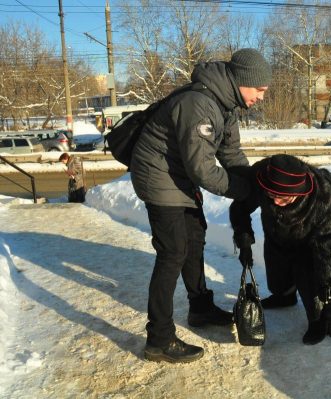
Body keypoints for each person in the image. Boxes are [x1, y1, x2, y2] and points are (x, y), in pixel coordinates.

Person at [129, 48, 272, 363]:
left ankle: (201, 307)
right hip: (158, 175)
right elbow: (203, 169)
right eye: (260, 90)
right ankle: (159, 339)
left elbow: (230, 153)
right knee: (173, 253)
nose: (262, 97)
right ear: (243, 80)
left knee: (194, 238)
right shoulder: (200, 104)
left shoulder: (227, 105)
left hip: (179, 175)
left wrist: (251, 183)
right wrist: (239, 190)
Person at [229, 154, 331, 345]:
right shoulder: (262, 177)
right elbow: (240, 207)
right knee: (276, 257)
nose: (277, 202)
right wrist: (244, 241)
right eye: (272, 195)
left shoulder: (321, 198)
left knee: (306, 264)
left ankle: (316, 318)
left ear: (299, 192)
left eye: (284, 197)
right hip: (278, 225)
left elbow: (329, 251)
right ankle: (285, 296)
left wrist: (330, 298)